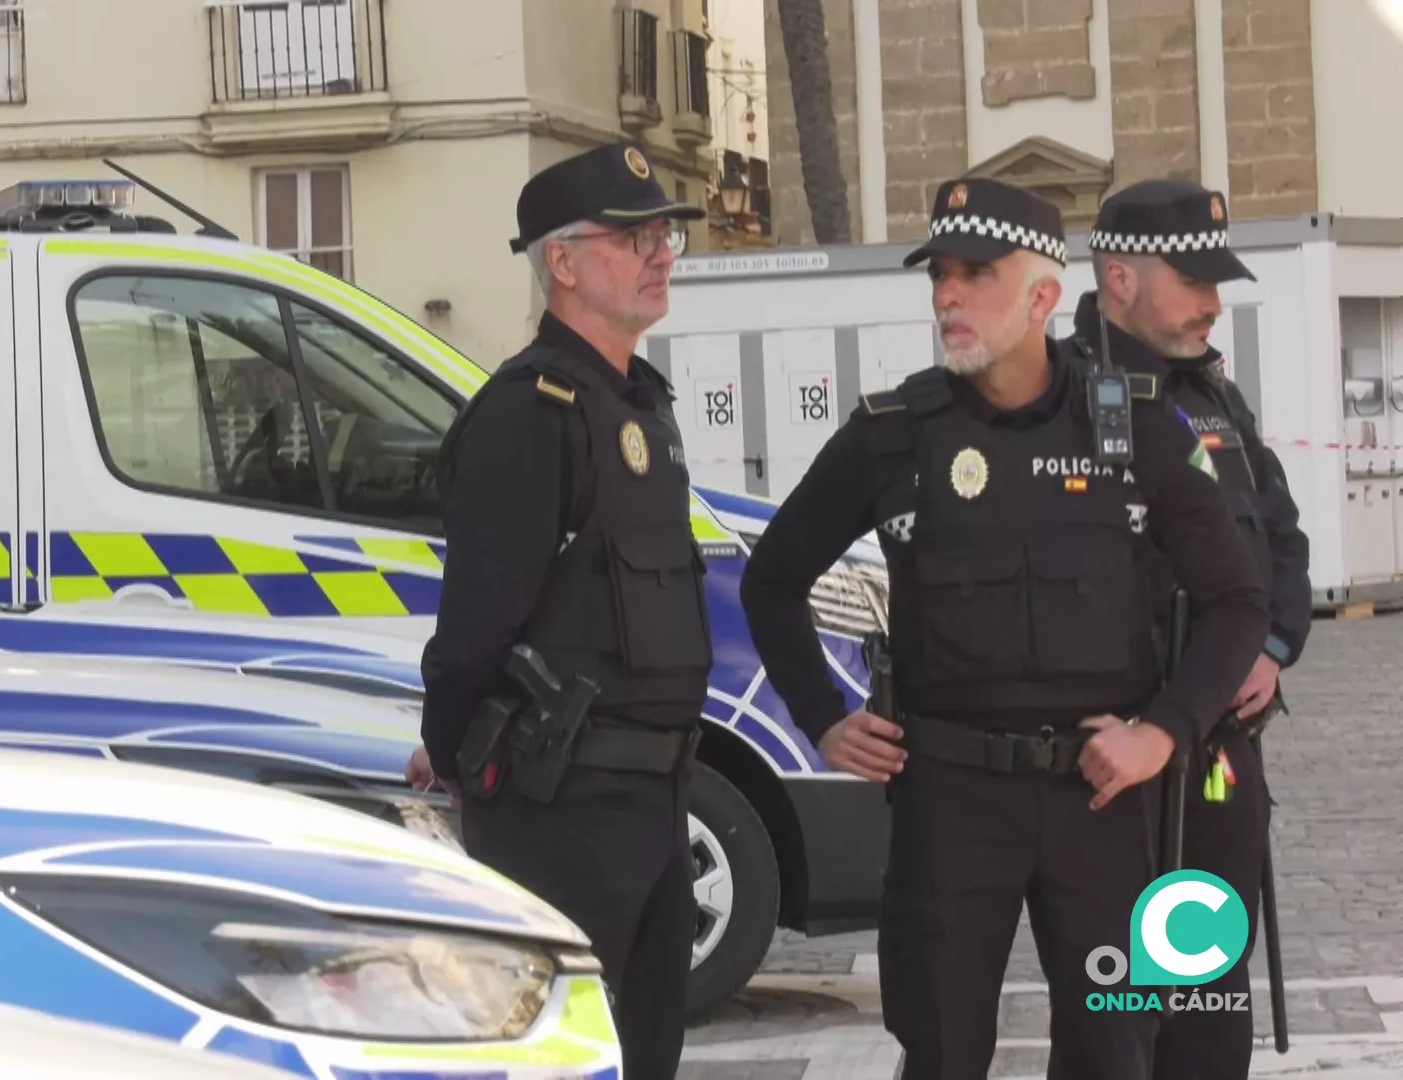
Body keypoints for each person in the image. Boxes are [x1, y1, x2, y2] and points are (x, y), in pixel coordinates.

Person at [739, 176, 1270, 1079]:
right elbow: (773, 579)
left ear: (1043, 295)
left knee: (1114, 1051)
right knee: (942, 1051)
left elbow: (1237, 600)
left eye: (976, 273)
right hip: (950, 802)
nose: (949, 294)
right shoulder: (895, 433)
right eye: (939, 274)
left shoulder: (1136, 421)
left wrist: (1162, 733)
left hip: (1101, 803)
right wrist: (822, 715)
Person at [404, 140, 710, 1080]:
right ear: (563, 263)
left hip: (655, 805)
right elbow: (476, 627)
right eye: (632, 238)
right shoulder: (528, 414)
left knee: (644, 1056)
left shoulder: (638, 403)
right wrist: (450, 747)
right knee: (548, 1059)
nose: (659, 253)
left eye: (663, 236)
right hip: (561, 807)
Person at [1076, 178, 1312, 1079]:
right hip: (1119, 761)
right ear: (1120, 277)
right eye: (1195, 280)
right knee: (1121, 1009)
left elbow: (1280, 539)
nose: (1215, 302)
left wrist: (1272, 648)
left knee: (1211, 1000)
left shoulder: (1215, 396)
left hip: (1219, 755)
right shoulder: (1066, 395)